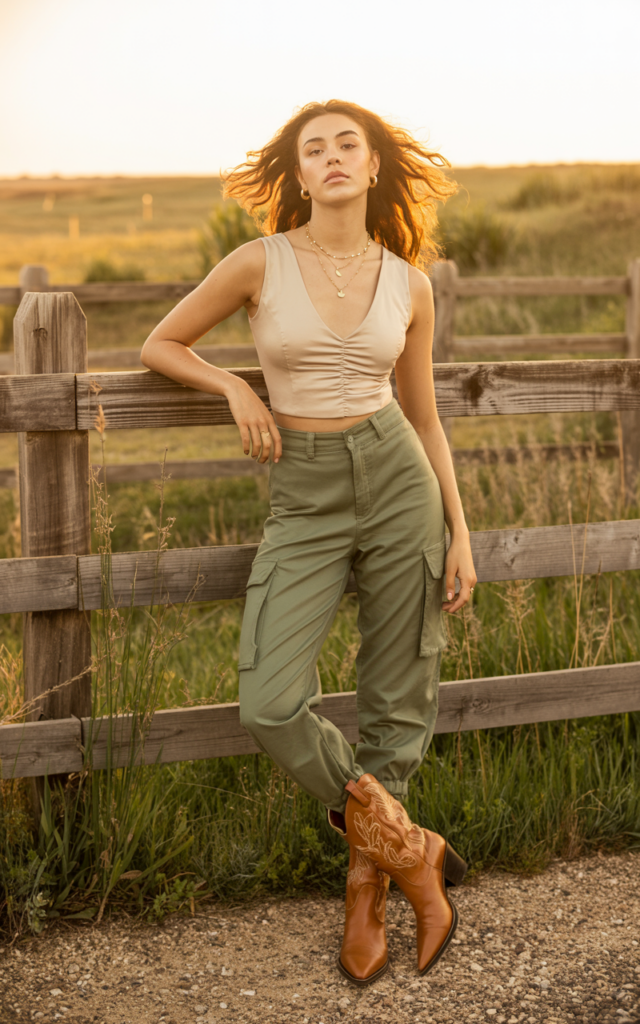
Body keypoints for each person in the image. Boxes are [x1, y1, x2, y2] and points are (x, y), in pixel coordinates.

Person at [141, 99, 477, 986]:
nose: (330, 158)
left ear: (372, 169)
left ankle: (365, 890)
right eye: (312, 149)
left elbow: (426, 417)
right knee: (270, 699)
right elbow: (162, 342)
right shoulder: (260, 260)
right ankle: (412, 850)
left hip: (398, 475)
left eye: (346, 146)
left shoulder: (410, 282)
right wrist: (234, 389)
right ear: (298, 175)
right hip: (306, 489)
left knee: (401, 679)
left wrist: (461, 531)